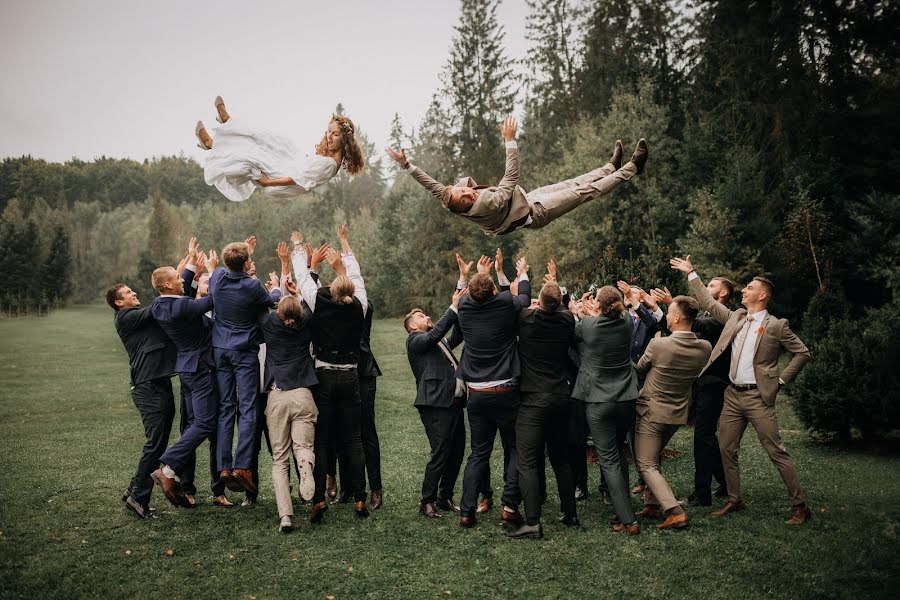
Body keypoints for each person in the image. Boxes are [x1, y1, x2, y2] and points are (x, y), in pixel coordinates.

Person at [672, 255, 813, 525]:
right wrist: (692, 274)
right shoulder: (735, 317)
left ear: (763, 296)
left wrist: (780, 381)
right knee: (726, 448)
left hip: (759, 397)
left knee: (776, 451)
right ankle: (735, 499)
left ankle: (800, 506)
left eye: (749, 287)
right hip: (733, 396)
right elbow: (709, 303)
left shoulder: (776, 325)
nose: (744, 290)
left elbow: (802, 353)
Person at [386, 116, 648, 235]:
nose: (468, 191)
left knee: (573, 182)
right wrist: (509, 141)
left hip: (527, 199)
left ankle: (609, 168)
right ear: (463, 207)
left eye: (462, 189)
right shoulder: (486, 205)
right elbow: (510, 178)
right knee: (584, 193)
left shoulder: (451, 197)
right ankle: (632, 168)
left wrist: (407, 165)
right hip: (535, 214)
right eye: (465, 196)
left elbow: (432, 186)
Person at [292, 224, 370, 523]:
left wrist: (300, 247)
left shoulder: (319, 300)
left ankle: (320, 499)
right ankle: (360, 498)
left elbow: (303, 277)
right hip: (350, 375)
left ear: (331, 289)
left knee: (322, 439)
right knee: (353, 439)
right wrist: (344, 251)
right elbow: (357, 277)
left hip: (324, 375)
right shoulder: (360, 306)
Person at [456, 254, 531, 528]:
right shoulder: (505, 304)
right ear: (491, 291)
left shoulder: (463, 306)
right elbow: (523, 296)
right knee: (513, 449)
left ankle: (467, 511)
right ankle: (509, 506)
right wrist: (520, 273)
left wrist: (470, 276)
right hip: (506, 390)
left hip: (476, 393)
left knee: (478, 453)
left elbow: (461, 295)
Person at [147, 244, 222, 508]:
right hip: (201, 369)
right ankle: (167, 467)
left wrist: (191, 264)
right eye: (177, 279)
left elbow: (181, 290)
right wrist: (213, 273)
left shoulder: (158, 305)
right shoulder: (185, 308)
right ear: (168, 285)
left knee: (192, 424)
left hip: (185, 368)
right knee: (205, 423)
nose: (183, 280)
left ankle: (177, 474)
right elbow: (215, 299)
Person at [652, 278, 735, 506]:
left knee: (703, 438)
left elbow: (697, 326)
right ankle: (726, 482)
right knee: (706, 436)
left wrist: (675, 306)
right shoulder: (708, 317)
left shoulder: (723, 316)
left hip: (713, 384)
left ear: (724, 292)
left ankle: (702, 494)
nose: (707, 289)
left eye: (711, 286)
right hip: (701, 384)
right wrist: (659, 310)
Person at [209, 237, 281, 495]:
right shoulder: (252, 286)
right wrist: (277, 289)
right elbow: (272, 300)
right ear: (247, 262)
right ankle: (242, 466)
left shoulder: (217, 277)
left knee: (226, 408)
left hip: (220, 350)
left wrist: (245, 252)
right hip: (243, 352)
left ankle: (224, 467)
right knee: (248, 408)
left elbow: (228, 264)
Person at [509, 272, 578, 540]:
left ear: (539, 301)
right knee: (560, 457)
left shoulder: (526, 319)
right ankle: (570, 513)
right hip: (561, 397)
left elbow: (520, 304)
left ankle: (533, 522)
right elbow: (558, 305)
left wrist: (520, 281)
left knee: (527, 462)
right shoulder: (567, 321)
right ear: (560, 302)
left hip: (533, 400)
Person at [633, 295, 712, 530]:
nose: (666, 316)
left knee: (646, 463)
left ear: (677, 318)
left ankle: (675, 511)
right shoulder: (704, 347)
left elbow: (639, 369)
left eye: (669, 313)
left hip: (651, 412)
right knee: (654, 456)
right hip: (677, 412)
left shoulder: (659, 344)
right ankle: (652, 503)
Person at [196, 96, 364, 202]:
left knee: (251, 159)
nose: (328, 137)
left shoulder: (329, 165)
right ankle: (227, 121)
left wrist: (268, 182)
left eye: (334, 134)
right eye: (328, 132)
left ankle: (212, 145)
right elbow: (308, 167)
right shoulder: (329, 159)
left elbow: (297, 179)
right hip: (292, 165)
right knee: (272, 139)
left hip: (282, 179)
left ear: (344, 140)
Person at [571, 286, 641, 534]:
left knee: (609, 458)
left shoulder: (588, 326)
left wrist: (578, 311)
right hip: (626, 398)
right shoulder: (626, 322)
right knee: (618, 453)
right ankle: (622, 506)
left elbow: (577, 331)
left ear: (599, 305)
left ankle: (628, 520)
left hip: (598, 400)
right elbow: (622, 312)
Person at [261, 243, 319, 532]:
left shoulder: (270, 325)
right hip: (304, 394)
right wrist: (297, 293)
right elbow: (306, 305)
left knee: (279, 461)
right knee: (303, 447)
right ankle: (306, 466)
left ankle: (285, 516)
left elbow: (270, 304)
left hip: (277, 396)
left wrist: (277, 285)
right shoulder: (307, 321)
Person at [107, 281, 177, 518]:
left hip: (159, 382)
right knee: (155, 444)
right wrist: (171, 281)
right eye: (128, 293)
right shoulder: (126, 317)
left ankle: (133, 491)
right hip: (148, 388)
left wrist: (185, 272)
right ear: (119, 303)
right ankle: (138, 498)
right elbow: (160, 303)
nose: (134, 293)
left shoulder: (136, 316)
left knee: (158, 442)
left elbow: (166, 300)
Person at [404, 289, 468, 519]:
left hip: (454, 401)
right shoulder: (415, 340)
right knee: (440, 451)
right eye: (420, 317)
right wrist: (452, 308)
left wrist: (460, 310)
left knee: (457, 451)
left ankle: (445, 496)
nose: (426, 318)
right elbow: (434, 334)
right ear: (412, 326)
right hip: (434, 402)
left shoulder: (438, 342)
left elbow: (456, 336)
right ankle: (427, 500)